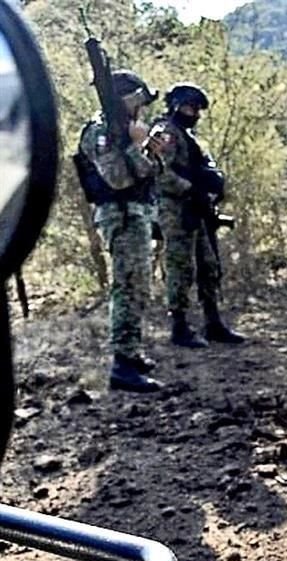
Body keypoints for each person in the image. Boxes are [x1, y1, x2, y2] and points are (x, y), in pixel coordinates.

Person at [75, 70, 164, 393]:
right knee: (127, 286)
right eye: (139, 100)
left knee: (138, 285)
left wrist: (148, 149)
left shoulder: (123, 131)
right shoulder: (100, 131)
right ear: (126, 99)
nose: (143, 107)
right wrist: (137, 146)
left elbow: (144, 172)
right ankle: (122, 366)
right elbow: (119, 179)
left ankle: (132, 352)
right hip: (121, 216)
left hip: (135, 214)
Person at [151, 83, 245, 348]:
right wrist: (189, 188)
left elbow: (201, 167)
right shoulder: (166, 132)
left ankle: (212, 323)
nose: (195, 113)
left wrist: (212, 186)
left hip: (197, 208)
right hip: (175, 210)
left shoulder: (187, 135)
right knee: (180, 267)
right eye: (191, 107)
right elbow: (160, 173)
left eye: (197, 109)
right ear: (176, 106)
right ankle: (179, 326)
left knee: (208, 265)